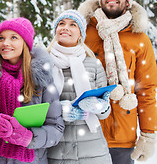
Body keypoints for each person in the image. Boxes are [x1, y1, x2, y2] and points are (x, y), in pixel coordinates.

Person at [78, 0, 157, 164]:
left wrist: (148, 134)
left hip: (122, 135)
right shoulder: (83, 32)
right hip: (86, 128)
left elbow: (146, 88)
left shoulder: (139, 38)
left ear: (127, 1)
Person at [0, 17, 64, 164]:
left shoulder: (43, 79)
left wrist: (29, 138)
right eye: (1, 38)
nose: (5, 43)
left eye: (13, 37)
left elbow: (56, 128)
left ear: (25, 43)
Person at [47, 10, 112, 164]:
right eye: (61, 24)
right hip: (56, 151)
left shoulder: (94, 64)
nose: (65, 27)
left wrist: (98, 105)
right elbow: (35, 103)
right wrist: (57, 111)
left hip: (93, 151)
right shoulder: (43, 63)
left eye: (72, 25)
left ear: (81, 34)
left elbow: (105, 111)